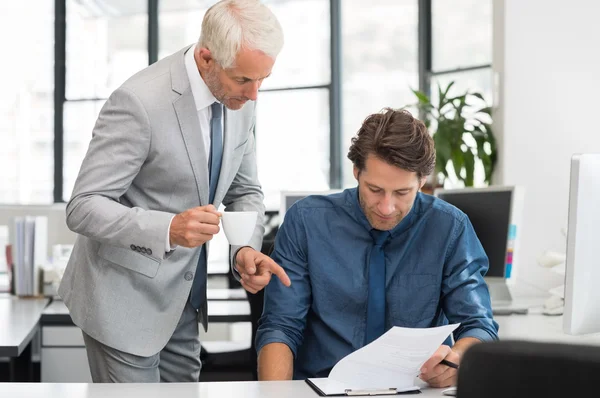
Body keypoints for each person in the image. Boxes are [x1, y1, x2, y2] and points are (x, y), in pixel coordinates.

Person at [58, 0, 291, 383]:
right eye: (244, 81)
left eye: (263, 79)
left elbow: (245, 189)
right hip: (123, 303)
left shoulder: (242, 99)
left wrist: (244, 248)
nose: (254, 95)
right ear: (206, 58)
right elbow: (83, 207)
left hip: (184, 302)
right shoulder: (139, 102)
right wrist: (168, 229)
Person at [256, 108, 499, 388]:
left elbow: (478, 325)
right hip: (320, 387)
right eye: (374, 189)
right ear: (357, 171)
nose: (386, 207)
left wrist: (455, 359)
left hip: (417, 389)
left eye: (402, 193)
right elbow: (280, 326)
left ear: (422, 181)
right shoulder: (306, 222)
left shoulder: (449, 228)